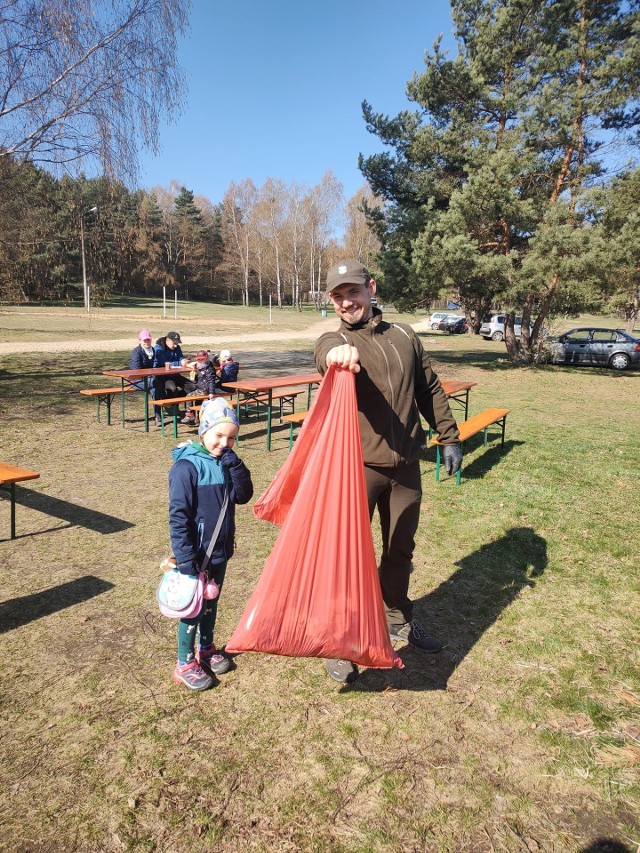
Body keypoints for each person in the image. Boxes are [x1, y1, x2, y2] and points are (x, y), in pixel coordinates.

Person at [314, 260, 463, 683]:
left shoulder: (404, 336)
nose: (346, 302)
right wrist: (334, 354)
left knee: (400, 549)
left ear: (371, 288)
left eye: (353, 292)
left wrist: (449, 436)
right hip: (357, 469)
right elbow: (323, 351)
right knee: (346, 557)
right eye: (338, 297)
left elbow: (429, 387)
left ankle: (397, 616)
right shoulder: (338, 339)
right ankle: (341, 639)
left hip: (406, 468)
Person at [168, 397, 254, 691]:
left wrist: (236, 465)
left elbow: (243, 496)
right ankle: (184, 662)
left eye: (231, 437)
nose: (224, 442)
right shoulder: (186, 468)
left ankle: (206, 648)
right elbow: (178, 518)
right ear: (204, 430)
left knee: (211, 604)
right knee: (191, 608)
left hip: (220, 552)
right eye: (218, 435)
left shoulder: (227, 462)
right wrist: (185, 558)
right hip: (195, 556)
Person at [153, 331, 188, 426]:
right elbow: (164, 364)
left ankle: (173, 404)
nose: (176, 345)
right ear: (167, 340)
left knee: (192, 386)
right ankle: (172, 407)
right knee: (172, 388)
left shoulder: (177, 348)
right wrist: (179, 363)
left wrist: (183, 361)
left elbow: (181, 357)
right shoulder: (158, 349)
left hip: (175, 375)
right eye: (174, 343)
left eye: (177, 343)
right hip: (163, 377)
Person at [181, 350, 218, 425]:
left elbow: (211, 381)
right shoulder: (200, 366)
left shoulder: (209, 368)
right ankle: (197, 419)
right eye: (199, 359)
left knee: (188, 396)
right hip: (201, 387)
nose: (200, 361)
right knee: (198, 401)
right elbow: (198, 377)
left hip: (204, 389)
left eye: (202, 359)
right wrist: (195, 373)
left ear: (206, 358)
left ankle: (189, 414)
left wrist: (211, 392)